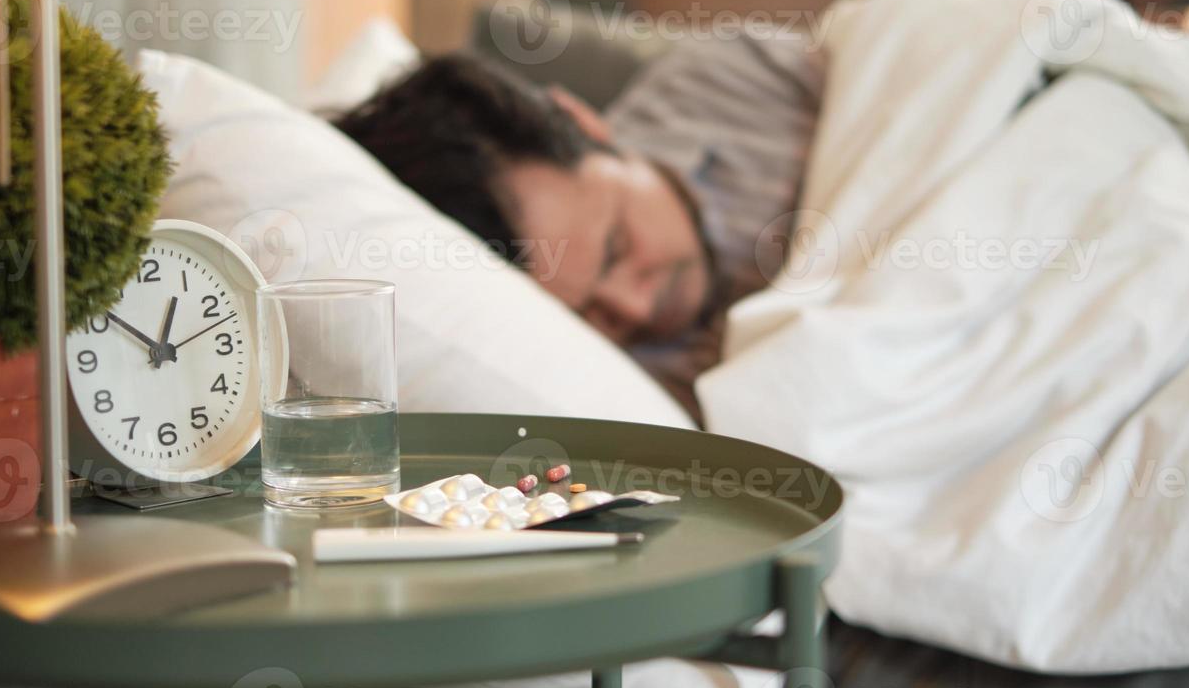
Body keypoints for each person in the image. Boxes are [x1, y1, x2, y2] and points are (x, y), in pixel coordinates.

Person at [334, 36, 824, 418]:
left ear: (585, 123)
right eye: (588, 314)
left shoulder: (740, 82)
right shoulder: (594, 392)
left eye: (615, 247)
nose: (638, 306)